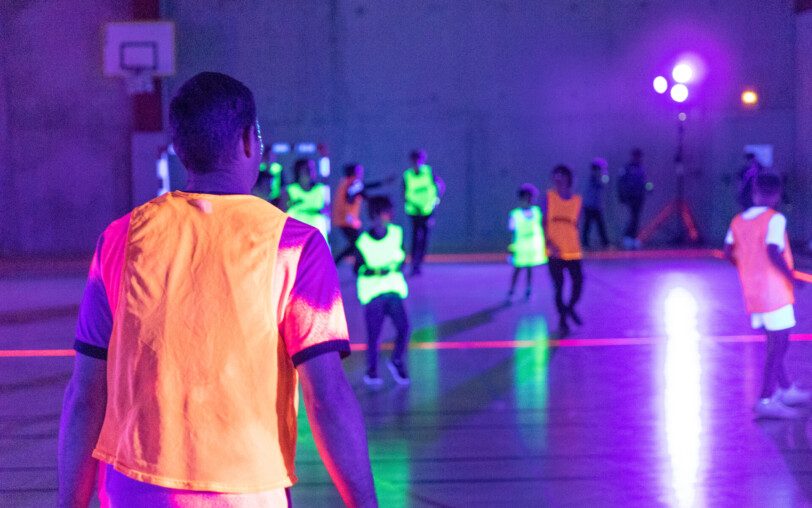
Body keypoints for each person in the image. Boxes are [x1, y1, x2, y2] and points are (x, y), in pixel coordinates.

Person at [58, 72, 377, 507]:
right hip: (246, 489)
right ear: (250, 141)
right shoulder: (295, 245)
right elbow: (328, 399)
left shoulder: (119, 239)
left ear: (179, 148)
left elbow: (85, 395)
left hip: (131, 487)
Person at [723, 172, 809, 419]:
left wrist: (748, 266)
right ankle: (766, 398)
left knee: (775, 343)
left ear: (754, 192)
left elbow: (728, 251)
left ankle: (785, 389)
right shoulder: (775, 219)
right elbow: (773, 251)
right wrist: (791, 277)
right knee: (780, 344)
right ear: (777, 194)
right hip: (774, 291)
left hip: (753, 292)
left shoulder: (739, 220)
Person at [355, 195, 411, 387]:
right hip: (373, 293)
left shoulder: (396, 233)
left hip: (393, 289)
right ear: (376, 215)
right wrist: (376, 270)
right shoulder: (363, 241)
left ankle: (396, 360)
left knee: (404, 327)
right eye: (386, 212)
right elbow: (358, 269)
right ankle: (371, 370)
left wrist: (397, 266)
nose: (391, 215)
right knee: (374, 334)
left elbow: (401, 257)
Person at [544, 164, 584, 336]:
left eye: (561, 178)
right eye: (555, 178)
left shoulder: (577, 200)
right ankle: (562, 319)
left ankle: (570, 307)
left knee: (578, 283)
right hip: (555, 252)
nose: (558, 181)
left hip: (573, 250)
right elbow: (543, 222)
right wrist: (549, 243)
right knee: (559, 286)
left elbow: (576, 223)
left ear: (568, 179)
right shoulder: (549, 197)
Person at [333, 163, 392, 273]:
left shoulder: (345, 182)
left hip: (345, 219)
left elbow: (363, 189)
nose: (361, 175)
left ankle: (346, 264)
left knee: (354, 244)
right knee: (357, 244)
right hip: (347, 220)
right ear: (354, 173)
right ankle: (337, 264)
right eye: (359, 172)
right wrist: (376, 201)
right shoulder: (352, 182)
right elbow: (362, 190)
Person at [403, 149, 445, 276]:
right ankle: (414, 263)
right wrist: (413, 205)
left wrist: (435, 201)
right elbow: (405, 193)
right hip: (414, 211)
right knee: (416, 237)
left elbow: (440, 186)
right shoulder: (408, 175)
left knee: (424, 237)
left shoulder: (428, 172)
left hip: (427, 210)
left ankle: (419, 262)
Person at [507, 183, 548, 302]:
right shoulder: (516, 214)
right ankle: (512, 289)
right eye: (527, 196)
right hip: (521, 245)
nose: (529, 199)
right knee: (518, 268)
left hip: (533, 245)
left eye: (531, 197)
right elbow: (512, 232)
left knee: (530, 268)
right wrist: (512, 248)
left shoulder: (537, 212)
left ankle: (528, 289)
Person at [285, 158, 330, 241]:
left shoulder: (321, 189)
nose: (310, 172)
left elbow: (328, 210)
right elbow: (283, 209)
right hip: (297, 231)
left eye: (312, 169)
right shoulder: (291, 190)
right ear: (298, 171)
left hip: (316, 230)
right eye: (306, 169)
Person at [618, 148, 647, 250]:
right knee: (632, 217)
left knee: (636, 218)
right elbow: (621, 182)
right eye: (636, 156)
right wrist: (622, 195)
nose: (638, 158)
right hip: (631, 196)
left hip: (639, 196)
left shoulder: (641, 168)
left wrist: (647, 189)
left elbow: (643, 182)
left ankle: (633, 237)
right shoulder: (627, 168)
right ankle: (627, 237)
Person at [581, 158, 610, 249]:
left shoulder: (597, 178)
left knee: (600, 225)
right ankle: (585, 243)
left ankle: (605, 243)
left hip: (596, 206)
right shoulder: (593, 178)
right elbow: (602, 183)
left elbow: (604, 183)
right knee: (588, 225)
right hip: (590, 206)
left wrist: (604, 173)